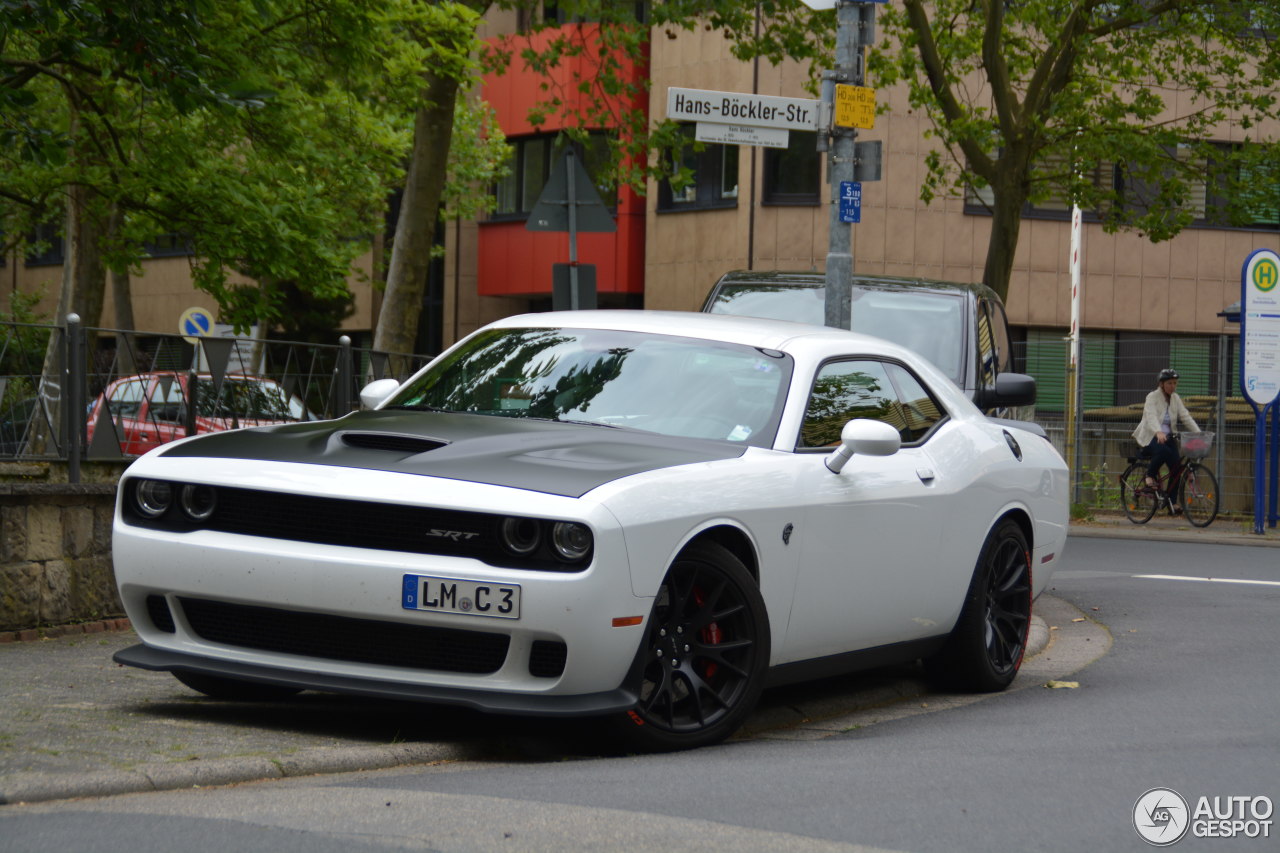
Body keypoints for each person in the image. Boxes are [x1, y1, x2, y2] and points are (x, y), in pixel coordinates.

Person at [1132, 368, 1200, 502]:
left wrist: (1199, 433)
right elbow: (1151, 416)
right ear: (1162, 384)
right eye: (1169, 383)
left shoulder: (1175, 398)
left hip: (1168, 437)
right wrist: (1158, 431)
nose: (1172, 386)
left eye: (1175, 383)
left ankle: (1171, 503)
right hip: (1150, 437)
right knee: (1162, 450)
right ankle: (1150, 476)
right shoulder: (1152, 397)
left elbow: (1185, 416)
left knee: (1176, 469)